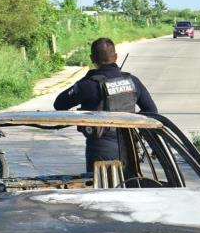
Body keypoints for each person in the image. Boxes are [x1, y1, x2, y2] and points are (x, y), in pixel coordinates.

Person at [53, 37, 158, 173]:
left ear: (92, 58)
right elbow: (151, 111)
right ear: (115, 57)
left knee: (102, 192)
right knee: (129, 190)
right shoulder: (132, 81)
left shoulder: (89, 85)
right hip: (129, 148)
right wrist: (133, 127)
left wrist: (86, 78)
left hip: (101, 151)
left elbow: (59, 104)